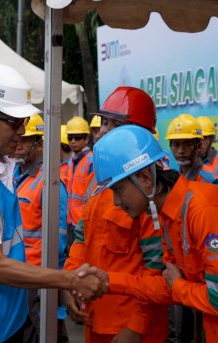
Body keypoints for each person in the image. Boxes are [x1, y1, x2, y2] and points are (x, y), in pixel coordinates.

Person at [0, 63, 105, 343]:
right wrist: (69, 280)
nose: (21, 132)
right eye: (15, 123)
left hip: (7, 317)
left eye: (24, 123)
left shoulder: (3, 167)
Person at [84, 124, 218, 342]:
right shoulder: (168, 215)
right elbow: (168, 285)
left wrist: (180, 286)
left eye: (118, 190)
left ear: (145, 178)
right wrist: (109, 281)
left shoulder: (203, 211)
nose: (116, 202)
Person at [64, 86, 169, 343]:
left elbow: (156, 272)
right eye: (103, 123)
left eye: (113, 124)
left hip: (133, 331)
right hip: (95, 318)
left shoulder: (150, 189)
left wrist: (134, 328)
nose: (101, 132)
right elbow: (81, 237)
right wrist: (71, 282)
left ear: (137, 133)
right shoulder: (98, 179)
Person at [13, 114, 70, 342]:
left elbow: (58, 242)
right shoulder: (16, 177)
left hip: (38, 280)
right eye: (17, 140)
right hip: (19, 275)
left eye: (25, 141)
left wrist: (43, 279)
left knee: (46, 334)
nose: (18, 146)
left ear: (39, 144)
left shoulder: (49, 184)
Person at [166, 114, 218, 186]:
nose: (181, 151)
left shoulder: (210, 182)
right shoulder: (175, 178)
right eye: (176, 145)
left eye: (187, 145)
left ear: (198, 146)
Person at [65, 116, 93, 234]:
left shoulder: (91, 161)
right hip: (71, 222)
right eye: (70, 137)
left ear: (86, 139)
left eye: (77, 137)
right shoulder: (71, 161)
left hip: (85, 224)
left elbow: (93, 197)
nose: (73, 141)